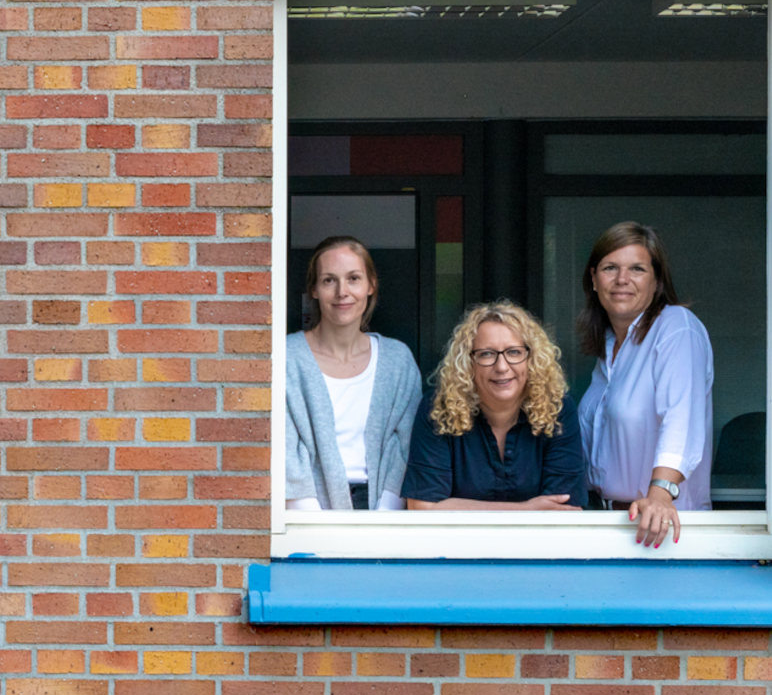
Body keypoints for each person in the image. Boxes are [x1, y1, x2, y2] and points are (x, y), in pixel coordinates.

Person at [577, 221, 713, 548]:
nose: (622, 279)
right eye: (611, 268)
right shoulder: (610, 348)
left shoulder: (677, 328)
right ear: (594, 279)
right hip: (609, 524)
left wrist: (660, 495)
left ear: (656, 282)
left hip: (663, 529)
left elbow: (681, 419)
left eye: (637, 269)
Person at [402, 301, 586, 511]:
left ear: (532, 358)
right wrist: (526, 509)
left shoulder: (557, 409)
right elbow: (422, 507)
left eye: (514, 352)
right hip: (456, 542)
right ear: (468, 363)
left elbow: (564, 510)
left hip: (538, 543)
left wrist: (455, 507)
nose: (501, 367)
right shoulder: (440, 408)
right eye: (486, 354)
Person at [285, 236, 423, 510]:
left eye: (353, 278)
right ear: (313, 289)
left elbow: (405, 445)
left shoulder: (397, 360)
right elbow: (287, 448)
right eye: (329, 280)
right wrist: (311, 522)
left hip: (385, 513)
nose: (341, 292)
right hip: (306, 514)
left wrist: (385, 516)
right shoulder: (287, 357)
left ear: (371, 285)